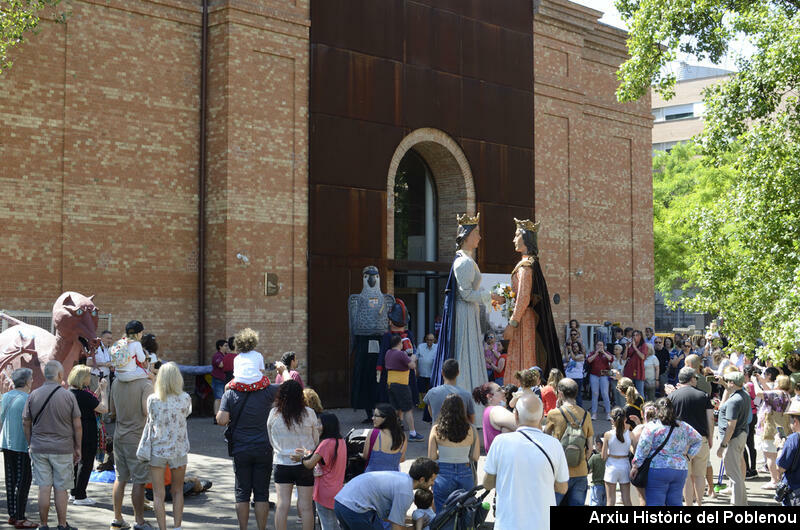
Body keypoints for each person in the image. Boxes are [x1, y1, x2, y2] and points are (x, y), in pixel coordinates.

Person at [429, 213, 504, 395]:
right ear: (467, 236)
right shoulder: (463, 262)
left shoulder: (466, 260)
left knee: (471, 354)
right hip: (464, 313)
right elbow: (466, 294)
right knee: (466, 353)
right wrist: (491, 296)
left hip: (469, 311)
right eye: (476, 232)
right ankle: (466, 396)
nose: (479, 237)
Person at [483, 393, 568, 529]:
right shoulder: (554, 445)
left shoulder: (500, 442)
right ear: (541, 417)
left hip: (508, 524)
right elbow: (562, 487)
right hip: (542, 524)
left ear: (516, 416)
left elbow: (487, 483)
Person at [22, 360, 81, 530]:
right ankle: (62, 524)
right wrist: (78, 447)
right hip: (63, 448)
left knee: (44, 487)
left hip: (39, 448)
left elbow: (26, 422)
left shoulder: (33, 395)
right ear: (60, 375)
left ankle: (44, 524)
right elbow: (77, 425)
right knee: (61, 488)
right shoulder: (68, 396)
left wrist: (30, 442)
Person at [216, 375, 281, 530]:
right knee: (262, 494)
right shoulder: (269, 390)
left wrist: (227, 391)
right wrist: (284, 370)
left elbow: (222, 420)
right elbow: (292, 386)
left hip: (241, 449)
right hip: (264, 448)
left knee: (242, 493)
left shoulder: (231, 393)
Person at [504, 218, 563, 376]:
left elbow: (523, 298)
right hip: (525, 317)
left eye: (517, 235)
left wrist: (512, 323)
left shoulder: (526, 267)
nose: (513, 239)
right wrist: (504, 297)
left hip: (525, 320)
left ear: (525, 238)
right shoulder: (529, 264)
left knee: (525, 356)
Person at [109, 347, 155, 530]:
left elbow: (112, 411)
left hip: (119, 435)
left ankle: (117, 518)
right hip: (137, 437)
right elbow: (147, 411)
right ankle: (139, 521)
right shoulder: (145, 384)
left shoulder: (116, 383)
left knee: (120, 478)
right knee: (139, 481)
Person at [142, 362, 191, 530]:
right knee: (177, 491)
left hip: (157, 449)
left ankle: (162, 528)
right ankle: (177, 526)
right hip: (178, 448)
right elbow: (187, 413)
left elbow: (150, 418)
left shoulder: (153, 399)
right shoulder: (185, 398)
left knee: (158, 493)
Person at [267, 379, 321, 530]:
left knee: (282, 504)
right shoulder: (309, 413)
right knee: (306, 507)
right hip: (304, 463)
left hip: (281, 462)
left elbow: (271, 438)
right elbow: (315, 439)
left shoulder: (274, 414)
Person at [631, 397, 702, 506]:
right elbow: (698, 439)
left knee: (655, 502)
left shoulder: (652, 427)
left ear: (656, 410)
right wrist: (688, 456)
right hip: (680, 468)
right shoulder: (683, 426)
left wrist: (636, 465)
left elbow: (643, 448)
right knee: (675, 502)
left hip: (657, 468)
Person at [334, 457, 439, 530]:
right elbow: (396, 528)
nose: (433, 483)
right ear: (421, 479)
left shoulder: (402, 478)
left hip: (342, 501)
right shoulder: (405, 493)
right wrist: (414, 527)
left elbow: (391, 517)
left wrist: (411, 521)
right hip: (354, 508)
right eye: (431, 480)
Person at [667, 367, 714, 506]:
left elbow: (668, 419)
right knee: (700, 475)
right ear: (692, 379)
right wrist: (710, 437)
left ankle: (688, 504)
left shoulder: (672, 397)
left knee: (686, 477)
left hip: (680, 442)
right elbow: (710, 419)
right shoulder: (704, 395)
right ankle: (699, 503)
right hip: (701, 439)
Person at [544, 378, 593, 506]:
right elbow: (590, 447)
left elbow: (545, 440)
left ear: (560, 393)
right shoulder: (586, 415)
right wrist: (581, 459)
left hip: (559, 471)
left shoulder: (553, 414)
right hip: (580, 470)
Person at [427, 395, 480, 514]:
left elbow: (431, 457)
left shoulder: (436, 429)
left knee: (442, 513)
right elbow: (475, 457)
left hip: (443, 473)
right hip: (465, 472)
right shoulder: (471, 429)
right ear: (463, 410)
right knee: (466, 513)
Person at [67, 365, 108, 506]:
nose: (90, 378)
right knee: (86, 463)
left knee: (77, 462)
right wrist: (104, 392)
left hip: (73, 431)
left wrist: (97, 390)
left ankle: (74, 493)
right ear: (83, 378)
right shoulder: (83, 395)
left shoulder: (71, 392)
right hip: (87, 431)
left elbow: (92, 400)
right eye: (88, 376)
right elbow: (103, 408)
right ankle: (80, 495)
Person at [296, 413, 346, 530]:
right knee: (335, 524)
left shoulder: (325, 443)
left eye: (319, 424)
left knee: (327, 524)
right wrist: (308, 454)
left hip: (324, 489)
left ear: (327, 425)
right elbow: (323, 459)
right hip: (338, 489)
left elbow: (309, 464)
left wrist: (301, 458)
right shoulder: (341, 441)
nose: (317, 426)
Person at [2, 368, 35, 529]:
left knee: (10, 480)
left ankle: (12, 515)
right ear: (27, 381)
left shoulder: (5, 397)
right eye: (32, 379)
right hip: (23, 444)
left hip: (6, 444)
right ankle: (20, 517)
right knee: (23, 481)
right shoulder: (28, 399)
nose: (33, 381)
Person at [716, 371, 752, 505]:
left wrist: (723, 445)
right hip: (741, 435)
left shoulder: (733, 401)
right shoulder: (745, 395)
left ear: (732, 383)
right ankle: (742, 502)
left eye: (728, 381)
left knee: (734, 475)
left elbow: (731, 426)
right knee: (736, 474)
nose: (727, 383)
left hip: (733, 438)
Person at [753, 373, 792, 489]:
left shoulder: (776, 394)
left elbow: (759, 394)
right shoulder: (786, 395)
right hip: (783, 428)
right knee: (779, 454)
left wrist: (755, 382)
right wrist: (762, 381)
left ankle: (774, 480)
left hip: (772, 429)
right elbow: (768, 392)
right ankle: (779, 479)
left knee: (770, 455)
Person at [382, 334, 422, 441]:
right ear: (400, 343)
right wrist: (413, 358)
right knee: (408, 409)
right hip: (401, 385)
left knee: (396, 408)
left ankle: (394, 430)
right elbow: (412, 366)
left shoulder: (388, 353)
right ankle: (413, 433)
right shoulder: (401, 354)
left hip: (390, 384)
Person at [423, 360, 475, 425]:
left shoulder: (432, 393)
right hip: (460, 433)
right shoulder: (466, 395)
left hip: (438, 432)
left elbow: (431, 412)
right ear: (458, 373)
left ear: (442, 372)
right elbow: (472, 420)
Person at [471, 382, 517, 452]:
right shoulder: (496, 410)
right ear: (489, 397)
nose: (504, 391)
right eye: (499, 390)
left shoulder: (488, 411)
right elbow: (521, 425)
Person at [362, 403, 407, 473]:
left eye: (376, 416)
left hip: (372, 478)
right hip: (393, 478)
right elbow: (402, 459)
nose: (372, 418)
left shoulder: (373, 433)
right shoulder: (402, 436)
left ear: (385, 418)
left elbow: (365, 456)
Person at [602, 408, 632, 506]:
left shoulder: (608, 434)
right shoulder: (630, 434)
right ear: (625, 419)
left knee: (610, 501)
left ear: (612, 420)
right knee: (627, 500)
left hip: (612, 465)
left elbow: (603, 456)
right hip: (625, 465)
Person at [776, 399, 800, 505]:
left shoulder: (793, 439)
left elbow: (780, 468)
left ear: (795, 421)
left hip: (795, 492)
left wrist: (780, 447)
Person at [586, 341, 612, 420]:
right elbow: (589, 360)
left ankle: (608, 413)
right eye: (598, 345)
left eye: (601, 345)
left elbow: (611, 359)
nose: (599, 346)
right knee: (595, 393)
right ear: (595, 346)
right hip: (594, 374)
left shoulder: (607, 353)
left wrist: (603, 352)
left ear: (603, 346)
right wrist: (596, 353)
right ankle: (594, 413)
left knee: (605, 393)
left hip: (604, 374)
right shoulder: (592, 353)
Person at [742, 365, 760, 478]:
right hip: (754, 414)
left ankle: (747, 469)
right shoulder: (754, 385)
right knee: (751, 443)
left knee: (744, 443)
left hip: (747, 415)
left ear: (746, 374)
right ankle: (753, 468)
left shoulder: (748, 386)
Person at [623, 330, 647, 397]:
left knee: (639, 392)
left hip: (639, 370)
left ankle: (641, 407)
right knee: (629, 392)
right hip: (629, 370)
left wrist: (635, 347)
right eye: (633, 335)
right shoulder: (630, 346)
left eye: (637, 335)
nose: (635, 337)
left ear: (640, 336)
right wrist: (627, 347)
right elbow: (624, 358)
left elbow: (642, 357)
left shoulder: (643, 345)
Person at [563, 341, 586, 408]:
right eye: (573, 346)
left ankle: (579, 409)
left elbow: (574, 358)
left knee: (577, 395)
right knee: (568, 395)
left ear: (579, 347)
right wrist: (566, 349)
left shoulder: (581, 356)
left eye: (576, 346)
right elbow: (567, 359)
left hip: (577, 378)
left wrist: (570, 350)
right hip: (569, 377)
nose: (574, 348)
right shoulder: (571, 354)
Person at [211, 339, 229, 415]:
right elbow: (221, 364)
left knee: (224, 399)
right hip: (218, 380)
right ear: (220, 347)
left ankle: (222, 416)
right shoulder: (217, 356)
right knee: (218, 398)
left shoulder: (226, 355)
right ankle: (216, 416)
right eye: (225, 345)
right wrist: (229, 360)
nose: (227, 347)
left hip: (225, 380)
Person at [587, 436, 606, 506]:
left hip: (596, 486)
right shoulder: (609, 456)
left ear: (598, 444)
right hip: (608, 486)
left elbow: (588, 471)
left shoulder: (594, 457)